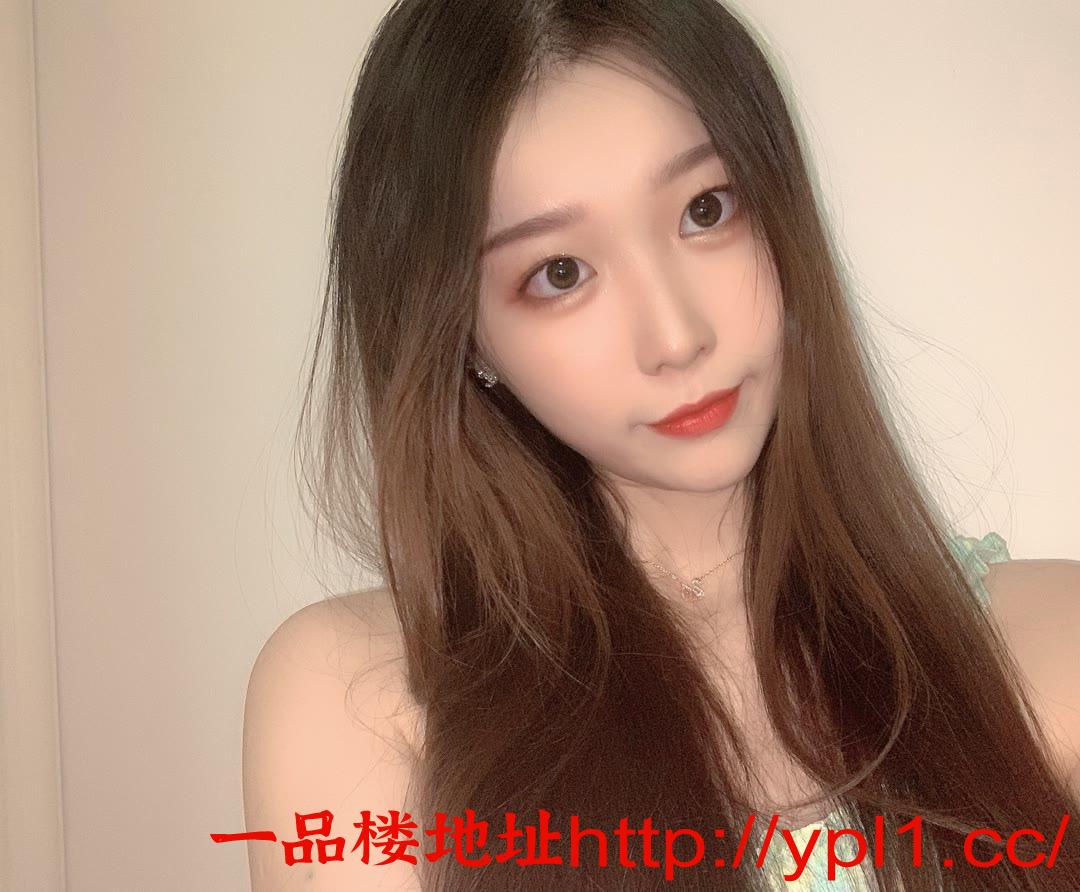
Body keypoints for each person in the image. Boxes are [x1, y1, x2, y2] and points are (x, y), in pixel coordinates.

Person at [241, 1, 1080, 888]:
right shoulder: (365, 705)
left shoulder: (1047, 654)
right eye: (561, 272)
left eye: (706, 210)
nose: (676, 337)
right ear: (465, 338)